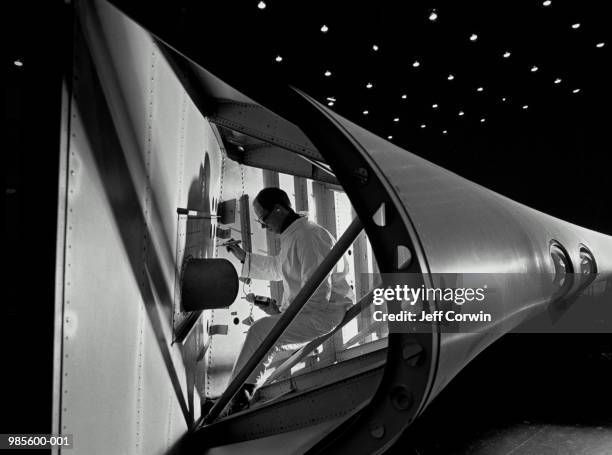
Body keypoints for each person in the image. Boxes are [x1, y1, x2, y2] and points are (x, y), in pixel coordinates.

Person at [224, 187, 354, 413]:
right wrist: (245, 257)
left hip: (322, 314)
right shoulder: (294, 234)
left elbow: (319, 288)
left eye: (264, 219)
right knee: (264, 334)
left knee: (261, 332)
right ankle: (236, 396)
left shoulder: (309, 236)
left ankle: (237, 397)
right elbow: (279, 267)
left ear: (279, 209)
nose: (264, 225)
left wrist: (285, 315)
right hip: (311, 311)